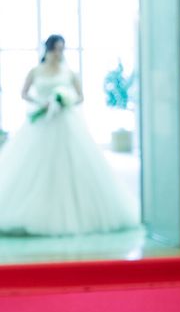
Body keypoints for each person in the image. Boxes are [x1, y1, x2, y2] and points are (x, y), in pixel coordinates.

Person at [0, 35, 140, 236]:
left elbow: (80, 97)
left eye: (61, 49)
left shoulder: (70, 72)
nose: (59, 53)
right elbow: (24, 93)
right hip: (41, 123)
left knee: (70, 164)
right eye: (56, 49)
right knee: (35, 166)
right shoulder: (35, 71)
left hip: (65, 122)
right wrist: (41, 103)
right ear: (48, 49)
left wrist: (64, 102)